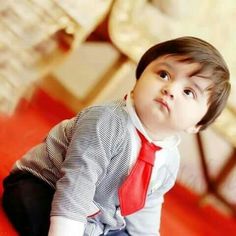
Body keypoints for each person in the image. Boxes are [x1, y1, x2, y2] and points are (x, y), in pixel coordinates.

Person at [2, 36, 231, 236]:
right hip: (47, 185)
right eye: (163, 74)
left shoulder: (169, 160)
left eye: (188, 91)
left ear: (198, 124)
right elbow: (77, 182)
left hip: (98, 216)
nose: (170, 89)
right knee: (33, 205)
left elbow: (147, 206)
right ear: (140, 75)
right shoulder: (106, 122)